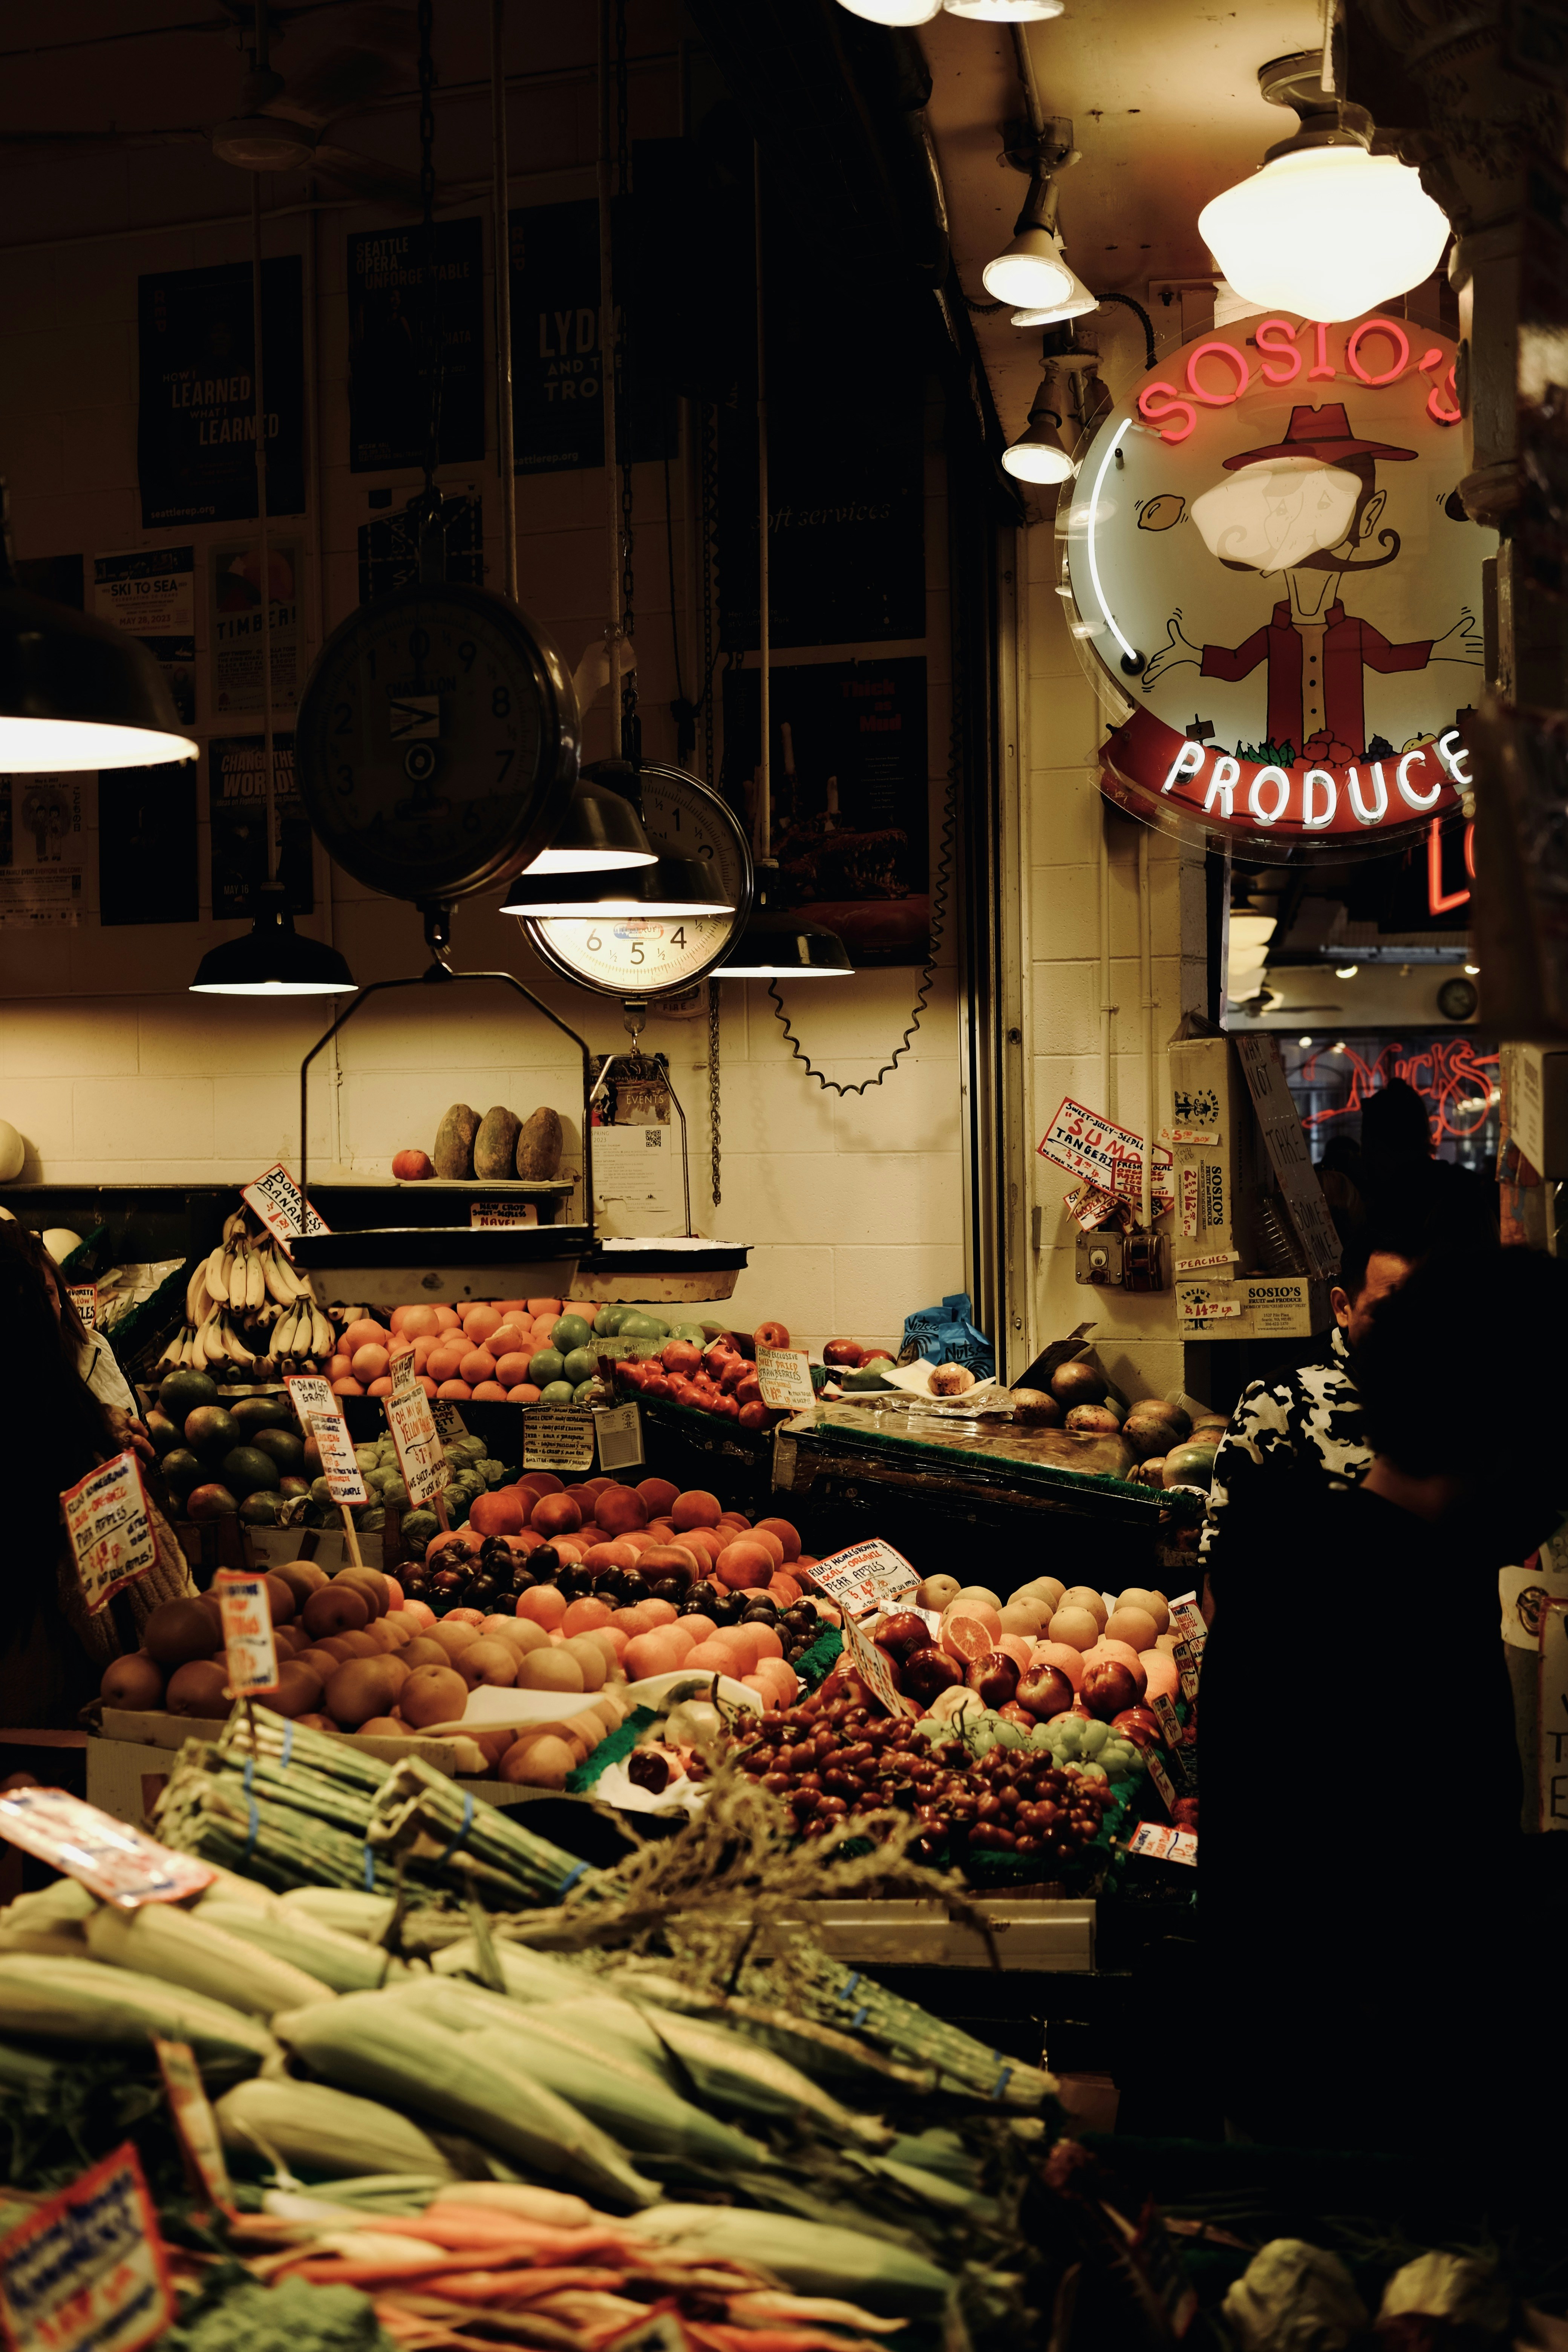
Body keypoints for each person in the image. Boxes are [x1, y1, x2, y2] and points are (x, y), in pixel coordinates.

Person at [1200, 1248, 1568, 2156]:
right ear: (1505, 1443)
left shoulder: (1299, 1559)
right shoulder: (1399, 1609)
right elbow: (1418, 1915)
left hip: (1293, 2086)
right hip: (1361, 2134)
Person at [0, 1229, 192, 1729]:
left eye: (53, 1292)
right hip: (52, 1720)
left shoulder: (71, 1417)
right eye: (41, 1295)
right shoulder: (63, 1439)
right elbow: (149, 1621)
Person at [1199, 1225, 1419, 1593]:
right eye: (1387, 1311)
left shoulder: (1450, 1395)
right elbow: (1226, 1546)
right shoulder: (1278, 1399)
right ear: (1343, 1307)